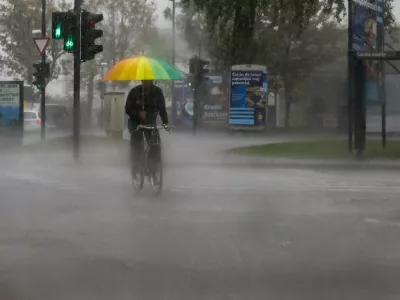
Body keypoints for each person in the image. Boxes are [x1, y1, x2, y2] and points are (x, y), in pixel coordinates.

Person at [125, 80, 169, 174]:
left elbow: (162, 109)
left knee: (155, 143)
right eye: (146, 81)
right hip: (135, 122)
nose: (148, 83)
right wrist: (138, 113)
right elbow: (127, 108)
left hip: (150, 122)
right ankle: (136, 165)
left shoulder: (157, 92)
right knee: (136, 142)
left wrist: (165, 122)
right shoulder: (134, 92)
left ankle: (153, 165)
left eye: (150, 80)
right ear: (142, 81)